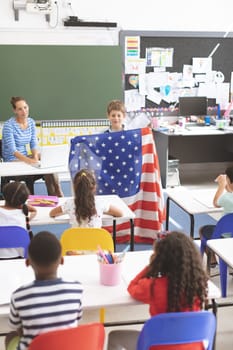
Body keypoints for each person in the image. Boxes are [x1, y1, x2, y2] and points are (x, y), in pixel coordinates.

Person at [107, 231, 208, 350]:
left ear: (160, 260)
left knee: (115, 336)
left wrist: (151, 267)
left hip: (158, 346)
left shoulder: (154, 286)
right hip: (193, 346)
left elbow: (132, 287)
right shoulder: (198, 284)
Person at [5, 231, 83, 350]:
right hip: (67, 346)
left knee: (10, 337)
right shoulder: (76, 290)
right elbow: (76, 321)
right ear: (62, 260)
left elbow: (16, 326)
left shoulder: (19, 296)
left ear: (27, 262)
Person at [2, 96, 63, 197]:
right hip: (12, 159)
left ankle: (56, 194)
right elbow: (13, 151)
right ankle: (54, 195)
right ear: (14, 111)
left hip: (26, 157)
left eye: (25, 107)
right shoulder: (9, 126)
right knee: (38, 163)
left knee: (48, 163)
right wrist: (30, 161)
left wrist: (35, 156)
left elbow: (34, 143)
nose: (24, 111)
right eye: (20, 109)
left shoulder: (31, 122)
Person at [49, 168, 123, 227]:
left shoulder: (69, 204)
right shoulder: (100, 203)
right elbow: (120, 213)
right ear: (94, 187)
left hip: (76, 244)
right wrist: (103, 212)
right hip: (96, 244)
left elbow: (52, 213)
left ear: (74, 187)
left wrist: (66, 212)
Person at [199, 165, 233, 266]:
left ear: (228, 180)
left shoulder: (226, 198)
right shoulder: (228, 196)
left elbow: (216, 203)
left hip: (225, 236)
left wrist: (221, 186)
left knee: (202, 229)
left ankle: (212, 259)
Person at [0, 181, 36, 258]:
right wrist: (24, 206)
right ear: (24, 200)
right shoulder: (24, 214)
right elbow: (34, 211)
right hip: (18, 259)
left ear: (3, 195)